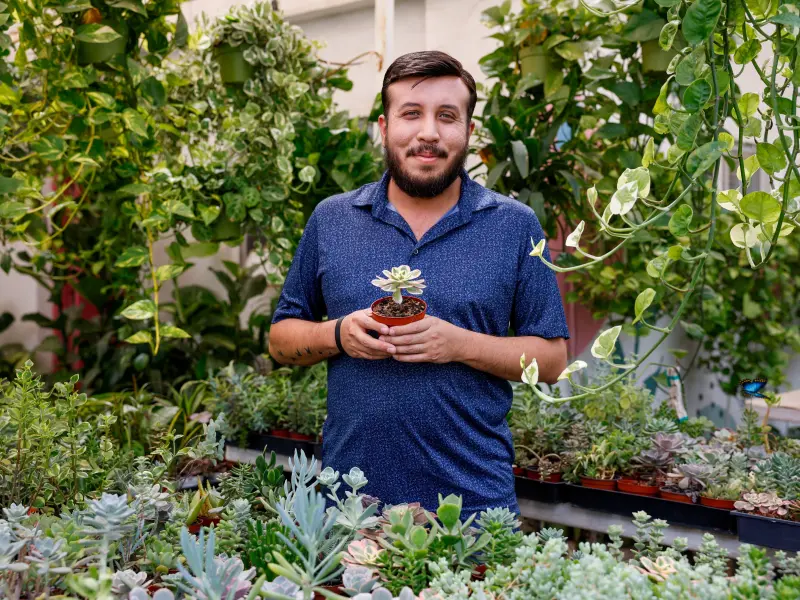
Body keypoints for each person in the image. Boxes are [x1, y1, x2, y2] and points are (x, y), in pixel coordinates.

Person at [268, 50, 569, 515]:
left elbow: (551, 360)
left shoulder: (514, 225)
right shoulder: (333, 220)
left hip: (474, 509)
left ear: (469, 131)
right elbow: (280, 340)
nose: (429, 132)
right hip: (350, 505)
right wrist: (339, 334)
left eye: (447, 116)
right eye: (411, 113)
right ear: (385, 127)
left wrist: (458, 344)